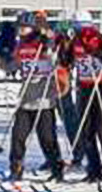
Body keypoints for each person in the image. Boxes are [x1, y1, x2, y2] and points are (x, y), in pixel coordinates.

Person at [8, 11, 64, 182]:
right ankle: (16, 168)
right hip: (26, 100)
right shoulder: (20, 46)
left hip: (44, 100)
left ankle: (56, 167)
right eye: (19, 27)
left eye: (23, 27)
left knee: (47, 138)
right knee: (18, 136)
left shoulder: (42, 42)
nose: (20, 31)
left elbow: (57, 59)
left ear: (32, 28)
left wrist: (49, 47)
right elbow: (12, 66)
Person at [65, 11, 102, 182]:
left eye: (79, 25)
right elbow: (67, 61)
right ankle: (93, 167)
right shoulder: (74, 41)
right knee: (86, 129)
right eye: (76, 26)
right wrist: (61, 48)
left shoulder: (99, 38)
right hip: (84, 87)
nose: (78, 29)